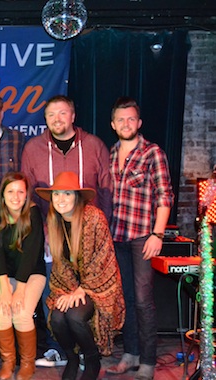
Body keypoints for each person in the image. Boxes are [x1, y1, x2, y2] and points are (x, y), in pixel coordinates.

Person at [21, 94, 112, 368]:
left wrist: (101, 229)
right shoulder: (33, 148)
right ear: (45, 119)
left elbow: (106, 189)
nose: (57, 119)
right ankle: (57, 349)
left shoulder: (95, 145)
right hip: (52, 239)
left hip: (89, 241)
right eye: (51, 115)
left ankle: (87, 349)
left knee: (83, 303)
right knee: (56, 297)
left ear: (73, 116)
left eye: (62, 113)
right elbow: (26, 195)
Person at [106, 97, 174, 380]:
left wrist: (158, 233)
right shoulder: (111, 153)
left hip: (142, 236)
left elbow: (165, 195)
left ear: (139, 123)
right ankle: (130, 354)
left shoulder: (152, 152)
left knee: (144, 300)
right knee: (128, 299)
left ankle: (147, 361)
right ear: (113, 125)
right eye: (121, 120)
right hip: (117, 235)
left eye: (131, 119)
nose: (126, 124)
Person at [35, 171, 125, 380]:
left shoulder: (94, 217)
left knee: (75, 317)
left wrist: (82, 290)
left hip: (101, 285)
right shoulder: (54, 222)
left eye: (67, 194)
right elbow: (61, 267)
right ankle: (72, 358)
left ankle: (92, 359)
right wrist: (67, 293)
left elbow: (104, 257)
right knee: (57, 317)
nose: (61, 199)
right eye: (56, 194)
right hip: (71, 287)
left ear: (77, 196)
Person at [0, 172, 46, 380]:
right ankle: (8, 361)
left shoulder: (33, 214)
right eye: (10, 191)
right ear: (3, 195)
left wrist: (20, 290)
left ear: (26, 195)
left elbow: (31, 255)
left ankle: (27, 363)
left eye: (20, 192)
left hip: (31, 274)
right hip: (2, 274)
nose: (15, 197)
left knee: (21, 313)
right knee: (1, 311)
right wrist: (5, 289)